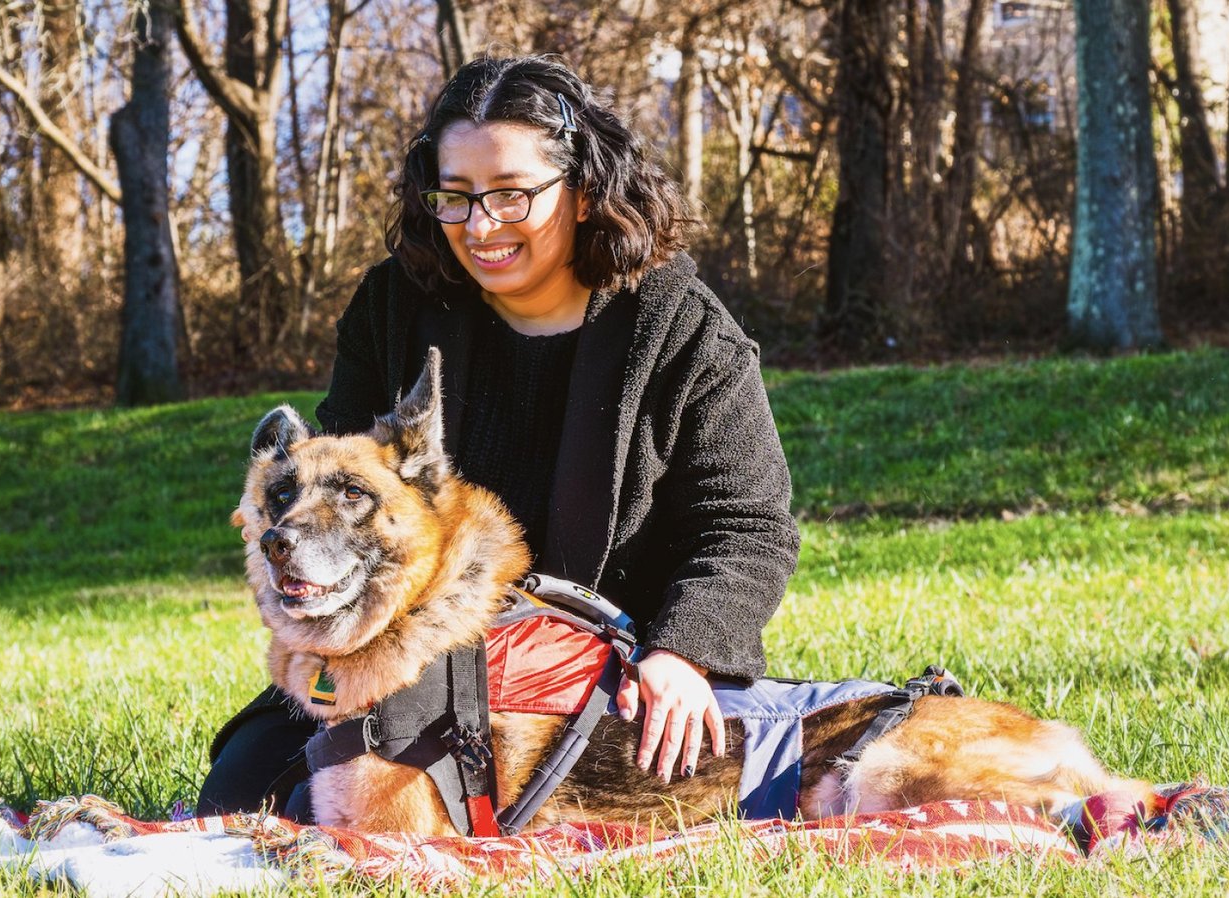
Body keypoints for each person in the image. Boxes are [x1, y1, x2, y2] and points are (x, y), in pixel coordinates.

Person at [197, 55, 800, 817]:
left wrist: (685, 653)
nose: (481, 226)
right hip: (409, 651)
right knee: (246, 800)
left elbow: (746, 527)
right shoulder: (392, 304)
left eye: (513, 194)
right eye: (456, 197)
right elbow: (340, 461)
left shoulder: (684, 329)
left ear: (584, 191)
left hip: (610, 663)